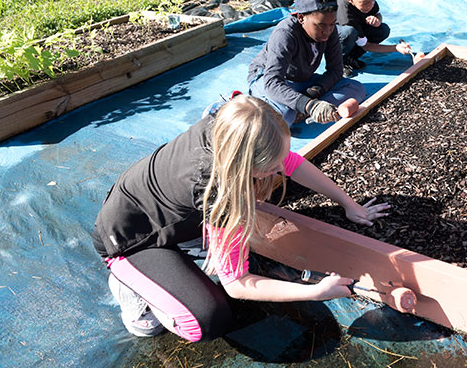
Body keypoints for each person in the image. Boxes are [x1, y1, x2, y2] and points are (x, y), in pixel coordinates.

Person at [92, 95, 390, 341]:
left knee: (242, 232)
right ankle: (132, 286)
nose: (279, 171)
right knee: (206, 321)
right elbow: (237, 283)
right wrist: (312, 293)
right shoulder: (218, 192)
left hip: (166, 212)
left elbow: (292, 162)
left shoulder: (237, 124)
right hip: (129, 240)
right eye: (272, 167)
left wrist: (348, 204)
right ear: (243, 162)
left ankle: (182, 252)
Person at [246, 0, 366, 127]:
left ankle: (301, 111)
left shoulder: (330, 30)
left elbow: (335, 70)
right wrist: (309, 105)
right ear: (301, 18)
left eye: (332, 24)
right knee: (282, 116)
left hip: (300, 82)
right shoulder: (285, 34)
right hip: (267, 79)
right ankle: (296, 110)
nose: (327, 31)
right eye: (321, 25)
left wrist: (314, 93)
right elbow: (272, 82)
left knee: (356, 88)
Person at [336, 0, 411, 76]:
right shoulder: (346, 15)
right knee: (349, 33)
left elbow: (378, 13)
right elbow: (366, 46)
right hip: (336, 40)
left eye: (373, 0)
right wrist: (395, 48)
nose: (370, 5)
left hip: (357, 30)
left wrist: (377, 20)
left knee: (383, 29)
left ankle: (351, 57)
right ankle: (339, 63)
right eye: (366, 3)